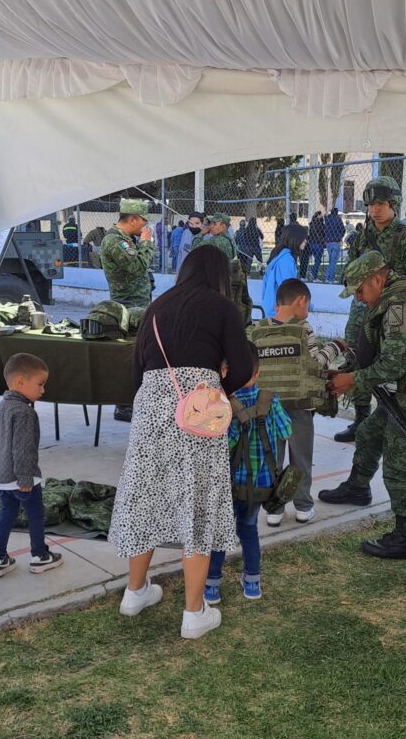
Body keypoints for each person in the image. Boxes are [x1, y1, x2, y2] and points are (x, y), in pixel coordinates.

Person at [108, 245, 255, 640]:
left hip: (150, 406)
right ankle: (194, 612)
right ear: (221, 275)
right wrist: (212, 391)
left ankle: (134, 592)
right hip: (197, 412)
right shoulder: (222, 306)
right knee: (198, 500)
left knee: (146, 496)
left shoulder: (157, 306)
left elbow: (138, 369)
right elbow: (243, 367)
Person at [320, 252, 406, 559]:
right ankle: (357, 486)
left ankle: (405, 538)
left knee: (401, 465)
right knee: (368, 434)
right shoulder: (394, 296)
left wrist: (352, 381)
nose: (359, 298)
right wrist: (347, 370)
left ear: (377, 279)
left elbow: (392, 363)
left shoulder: (400, 305)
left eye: (361, 290)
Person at [335, 176, 406, 444]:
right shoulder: (361, 236)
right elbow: (350, 272)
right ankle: (360, 418)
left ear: (393, 204)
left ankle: (384, 418)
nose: (374, 209)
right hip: (362, 309)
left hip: (392, 311)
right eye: (370, 204)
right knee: (355, 357)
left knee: (387, 361)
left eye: (380, 203)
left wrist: (387, 285)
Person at [204, 350, 292, 603]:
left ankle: (211, 586)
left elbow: (226, 442)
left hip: (230, 484)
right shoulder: (270, 398)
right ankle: (252, 582)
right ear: (258, 374)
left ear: (225, 373)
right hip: (262, 486)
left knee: (220, 532)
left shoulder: (224, 403)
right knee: (249, 529)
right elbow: (287, 429)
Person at [260, 278, 346, 527]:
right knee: (300, 459)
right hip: (299, 406)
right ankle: (303, 507)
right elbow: (315, 365)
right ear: (301, 301)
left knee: (273, 460)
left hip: (269, 408)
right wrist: (335, 347)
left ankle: (274, 510)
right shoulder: (303, 328)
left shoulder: (259, 329)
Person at [0, 352, 64, 579]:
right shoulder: (25, 413)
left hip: (0, 477)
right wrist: (25, 478)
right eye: (40, 384)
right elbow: (23, 449)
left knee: (6, 514)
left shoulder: (0, 408)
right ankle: (40, 556)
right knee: (36, 515)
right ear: (20, 381)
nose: (43, 390)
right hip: (21, 478)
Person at [101, 198, 153, 422]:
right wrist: (147, 243)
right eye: (143, 221)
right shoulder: (115, 241)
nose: (145, 226)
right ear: (132, 219)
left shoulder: (125, 240)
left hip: (137, 304)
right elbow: (137, 265)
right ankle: (124, 405)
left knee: (138, 355)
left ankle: (132, 401)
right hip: (128, 306)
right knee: (130, 356)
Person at [261, 221, 307, 317]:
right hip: (280, 311)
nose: (306, 241)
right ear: (295, 239)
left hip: (272, 307)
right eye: (303, 238)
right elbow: (289, 289)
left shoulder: (280, 255)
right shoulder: (286, 259)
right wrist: (307, 304)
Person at [324, 207, 346, 282]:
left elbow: (324, 229)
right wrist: (340, 237)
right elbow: (343, 229)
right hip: (336, 241)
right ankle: (331, 278)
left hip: (328, 242)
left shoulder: (327, 219)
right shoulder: (338, 219)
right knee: (333, 262)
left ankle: (327, 277)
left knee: (331, 260)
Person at [304, 210, 325, 279]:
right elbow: (323, 233)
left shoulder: (311, 223)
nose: (322, 216)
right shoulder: (321, 224)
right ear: (318, 215)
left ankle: (308, 272)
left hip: (311, 243)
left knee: (309, 259)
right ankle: (314, 274)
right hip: (318, 243)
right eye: (321, 215)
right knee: (318, 260)